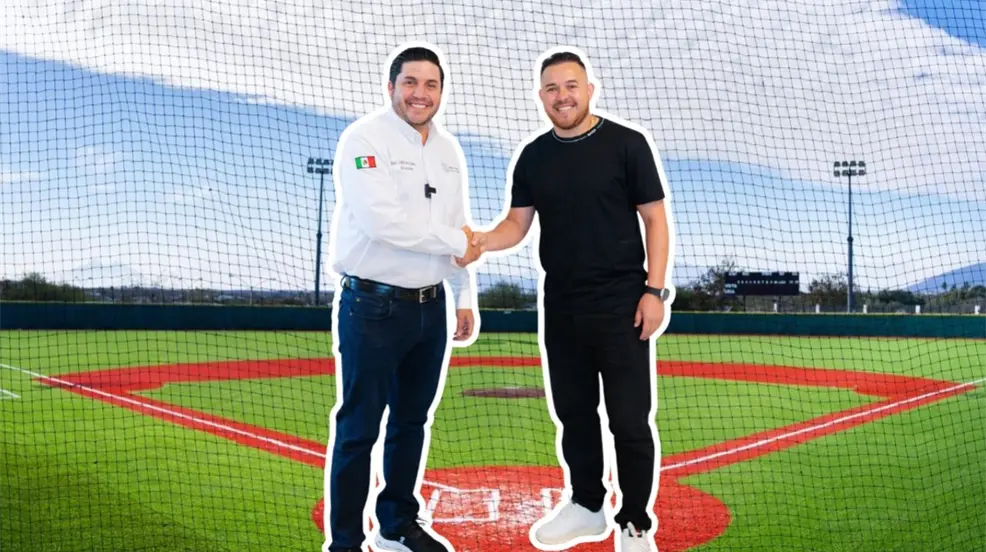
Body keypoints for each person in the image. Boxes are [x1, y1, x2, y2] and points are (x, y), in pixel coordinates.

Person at [462, 47, 674, 552]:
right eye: (552, 88)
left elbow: (655, 219)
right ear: (541, 96)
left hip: (623, 302)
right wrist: (482, 241)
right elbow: (516, 224)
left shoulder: (627, 144)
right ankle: (586, 506)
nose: (562, 96)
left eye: (571, 86)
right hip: (560, 304)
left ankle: (635, 524)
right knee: (574, 414)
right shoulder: (533, 156)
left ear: (589, 90)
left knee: (629, 419)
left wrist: (654, 291)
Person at [322, 43, 482, 552]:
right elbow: (382, 222)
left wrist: (463, 294)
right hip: (373, 306)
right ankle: (345, 542)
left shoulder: (449, 151)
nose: (420, 93)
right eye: (410, 82)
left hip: (430, 308)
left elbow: (458, 226)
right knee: (359, 428)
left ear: (441, 92)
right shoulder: (364, 137)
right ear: (391, 86)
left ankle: (396, 523)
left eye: (431, 84)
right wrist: (459, 242)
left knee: (412, 422)